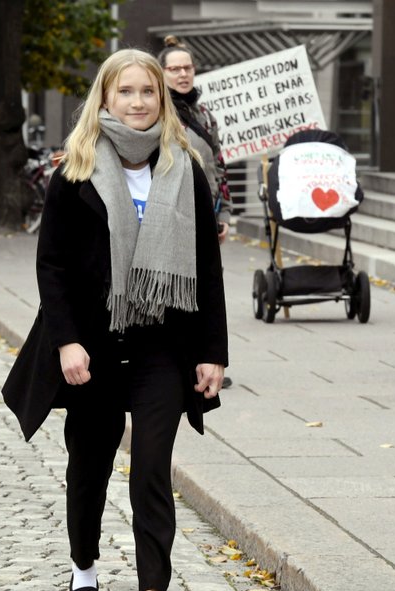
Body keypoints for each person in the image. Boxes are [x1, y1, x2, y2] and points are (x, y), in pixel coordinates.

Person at [1, 49, 228, 591]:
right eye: (125, 91)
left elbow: (208, 266)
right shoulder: (75, 171)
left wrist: (213, 352)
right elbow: (52, 267)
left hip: (162, 345)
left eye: (147, 91)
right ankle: (84, 572)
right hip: (95, 346)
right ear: (105, 99)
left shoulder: (185, 169)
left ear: (162, 99)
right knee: (90, 467)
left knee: (152, 469)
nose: (138, 101)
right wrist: (67, 343)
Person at [158, 35, 235, 389]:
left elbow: (219, 166)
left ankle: (208, 356)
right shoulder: (157, 112)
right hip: (171, 212)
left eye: (187, 67)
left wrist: (225, 214)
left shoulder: (205, 115)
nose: (182, 74)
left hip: (206, 212)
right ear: (162, 73)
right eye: (174, 69)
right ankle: (182, 359)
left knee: (206, 284)